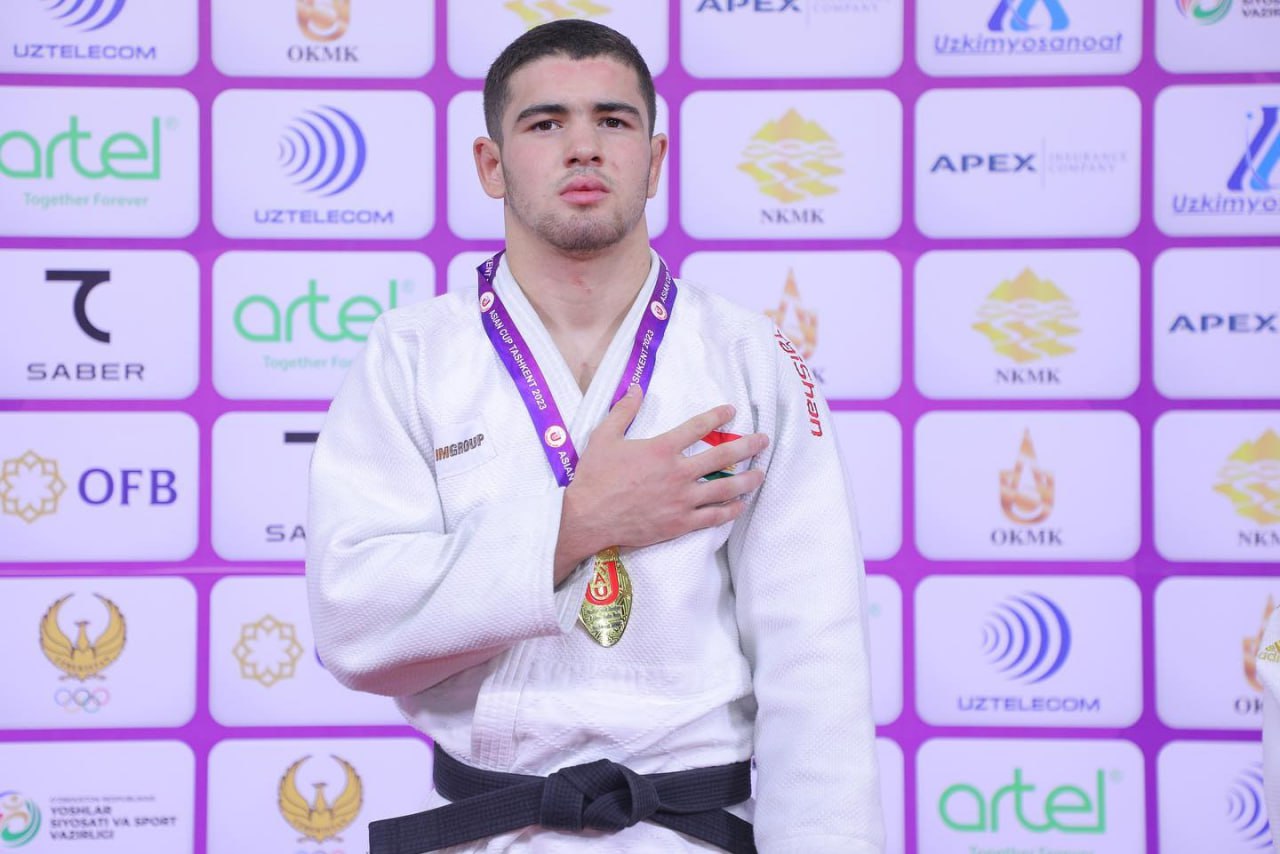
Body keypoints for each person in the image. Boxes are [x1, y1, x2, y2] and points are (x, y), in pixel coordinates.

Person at [306, 19, 883, 853]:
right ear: (492, 164)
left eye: (613, 121)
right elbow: (356, 630)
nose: (583, 147)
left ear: (654, 159)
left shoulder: (750, 359)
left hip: (690, 833)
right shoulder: (412, 356)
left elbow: (815, 661)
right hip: (490, 830)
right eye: (546, 123)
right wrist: (577, 526)